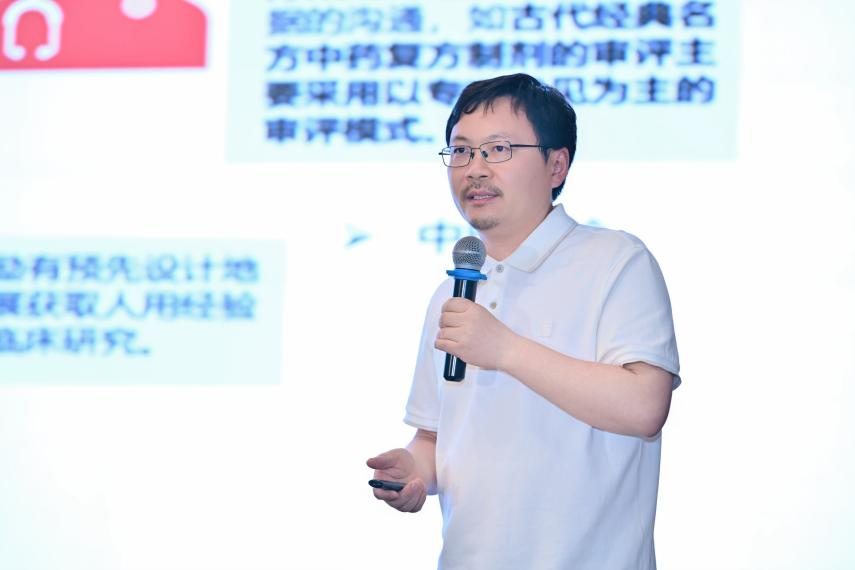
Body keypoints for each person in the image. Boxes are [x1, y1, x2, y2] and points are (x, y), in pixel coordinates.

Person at [367, 73, 680, 570]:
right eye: (461, 151)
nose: (475, 169)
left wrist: (505, 350)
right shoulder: (453, 292)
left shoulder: (616, 260)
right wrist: (413, 471)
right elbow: (435, 438)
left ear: (557, 164)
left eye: (498, 149)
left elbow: (644, 407)